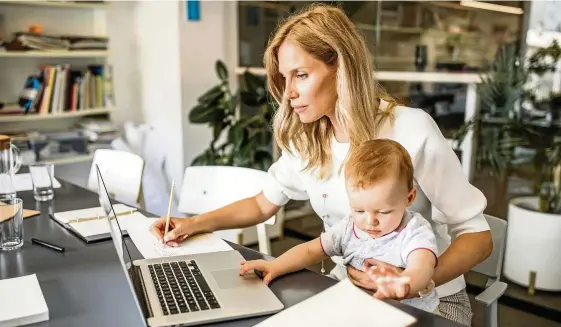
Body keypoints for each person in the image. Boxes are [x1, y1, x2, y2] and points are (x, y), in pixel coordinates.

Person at [151, 4, 492, 325]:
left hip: (432, 301)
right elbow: (261, 203)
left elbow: (478, 236)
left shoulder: (411, 129)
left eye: (300, 75)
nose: (287, 93)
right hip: (348, 291)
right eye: (285, 78)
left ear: (340, 68)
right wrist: (194, 223)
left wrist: (417, 281)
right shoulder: (309, 139)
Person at [239, 139, 441, 314]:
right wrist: (275, 265)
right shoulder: (349, 227)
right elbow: (310, 250)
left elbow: (422, 267)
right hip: (358, 308)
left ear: (409, 198)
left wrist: (404, 283)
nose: (370, 221)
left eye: (383, 212)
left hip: (410, 314)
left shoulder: (414, 231)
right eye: (359, 210)